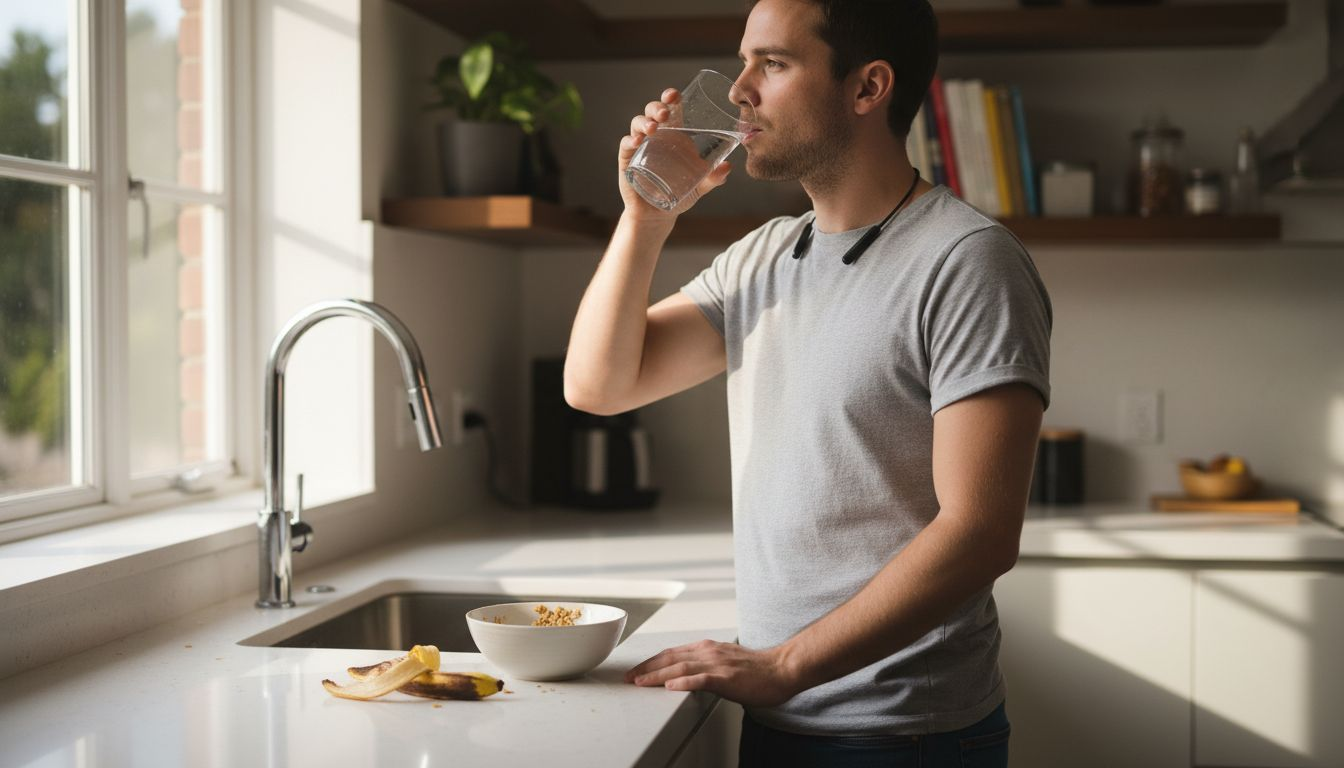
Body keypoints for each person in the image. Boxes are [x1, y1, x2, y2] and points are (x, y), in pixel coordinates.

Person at [563, 0, 1051, 764]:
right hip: (781, 716)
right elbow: (598, 385)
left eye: (774, 64)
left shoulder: (967, 261)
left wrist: (784, 665)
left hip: (903, 735)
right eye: (743, 61)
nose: (738, 91)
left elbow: (981, 531)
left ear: (867, 89)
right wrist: (647, 215)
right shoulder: (762, 257)